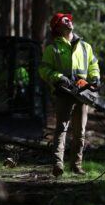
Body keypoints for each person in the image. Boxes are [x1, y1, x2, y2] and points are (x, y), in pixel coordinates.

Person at [39, 12, 100, 177]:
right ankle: (58, 164)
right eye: (64, 19)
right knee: (62, 129)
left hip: (83, 94)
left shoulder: (85, 47)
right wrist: (59, 78)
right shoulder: (53, 49)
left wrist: (95, 79)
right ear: (57, 27)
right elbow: (44, 70)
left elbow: (94, 65)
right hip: (63, 93)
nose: (69, 20)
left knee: (80, 131)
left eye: (69, 19)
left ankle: (76, 166)